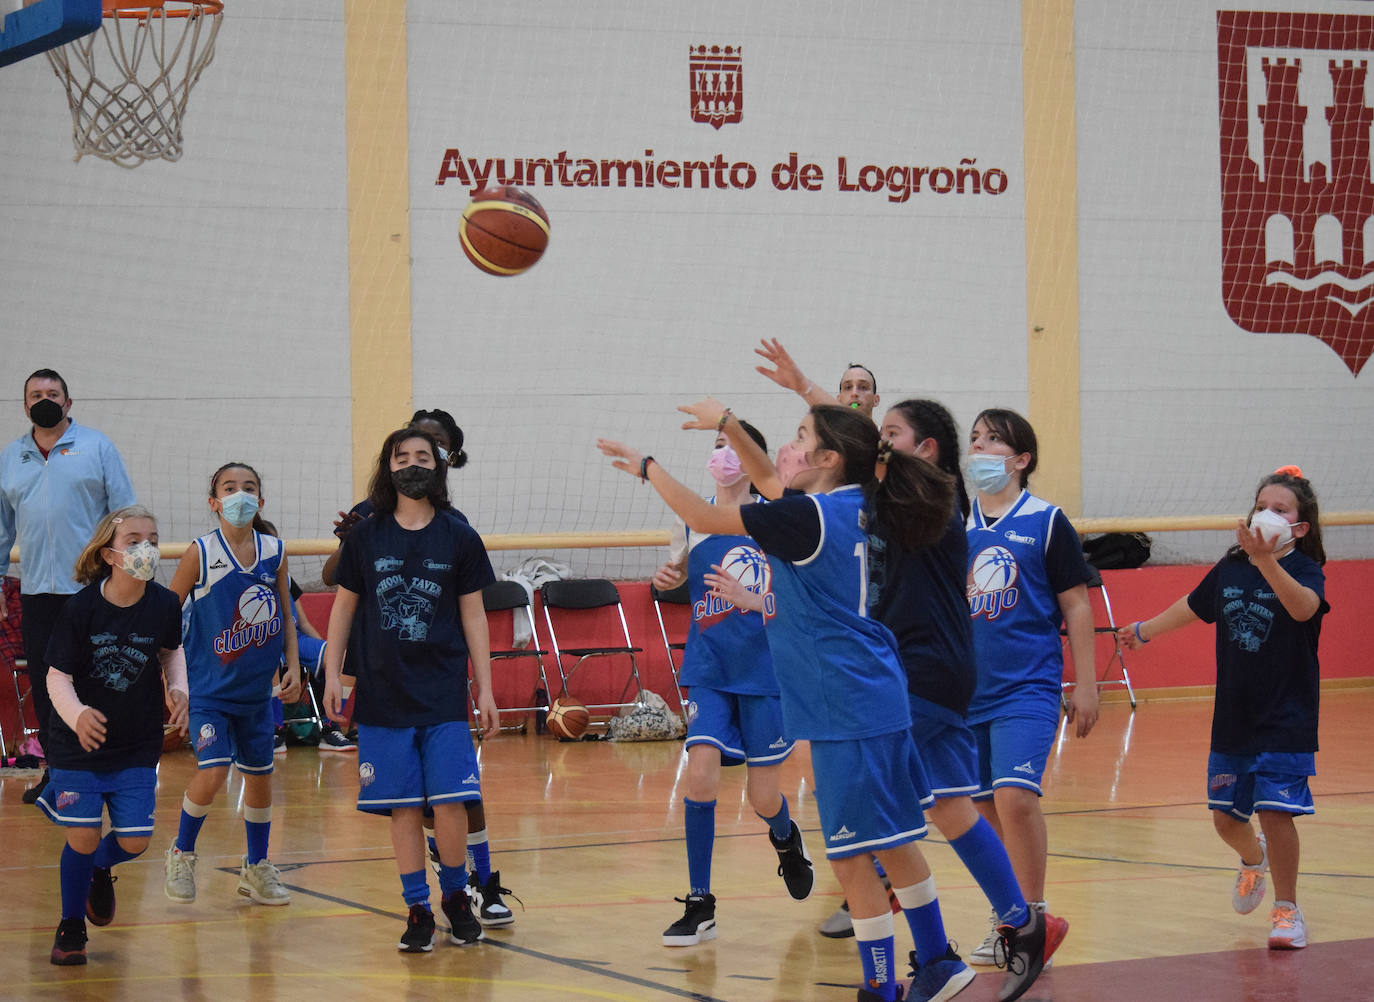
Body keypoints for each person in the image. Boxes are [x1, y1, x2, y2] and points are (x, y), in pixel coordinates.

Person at [599, 404, 975, 1002]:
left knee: (853, 857)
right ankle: (938, 960)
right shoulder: (858, 505)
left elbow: (702, 515)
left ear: (828, 460)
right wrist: (728, 423)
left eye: (801, 438)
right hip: (872, 692)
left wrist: (648, 467)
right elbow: (775, 486)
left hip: (845, 702)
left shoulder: (808, 516)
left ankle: (886, 983)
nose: (789, 448)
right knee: (892, 844)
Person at [1118, 467, 1327, 951]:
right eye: (1261, 506)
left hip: (1286, 718)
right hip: (1234, 717)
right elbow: (1194, 605)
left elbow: (1302, 609)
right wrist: (1146, 629)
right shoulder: (1231, 566)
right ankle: (1254, 859)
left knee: (1277, 813)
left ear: (1299, 528)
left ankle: (1288, 911)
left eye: (1280, 510)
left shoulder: (1303, 569)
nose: (1267, 515)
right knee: (1225, 819)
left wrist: (1266, 561)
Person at [322, 408, 516, 926]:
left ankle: (457, 895)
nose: (412, 463)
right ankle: (417, 909)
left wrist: (487, 689)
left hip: (443, 689)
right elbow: (341, 605)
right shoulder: (365, 535)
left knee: (451, 802)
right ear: (387, 467)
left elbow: (474, 614)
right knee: (405, 807)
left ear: (440, 466)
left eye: (422, 456)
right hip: (383, 692)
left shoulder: (459, 535)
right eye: (401, 456)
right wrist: (332, 674)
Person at [653, 421, 815, 948]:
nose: (722, 454)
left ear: (752, 460)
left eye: (731, 447)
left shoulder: (778, 522)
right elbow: (679, 571)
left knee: (763, 795)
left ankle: (786, 838)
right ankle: (700, 902)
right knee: (699, 777)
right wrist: (670, 577)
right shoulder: (691, 518)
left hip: (766, 672)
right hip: (709, 668)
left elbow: (800, 601)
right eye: (718, 445)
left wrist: (755, 603)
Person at [963, 408, 1097, 967]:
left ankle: (1033, 918)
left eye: (992, 441)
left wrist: (1086, 683)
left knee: (1015, 798)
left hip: (1029, 686)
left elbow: (1076, 603)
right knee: (980, 809)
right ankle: (1009, 914)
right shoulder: (954, 522)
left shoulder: (1046, 521)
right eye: (974, 439)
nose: (979, 449)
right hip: (964, 693)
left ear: (1021, 459)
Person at [36, 506, 186, 965]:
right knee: (81, 836)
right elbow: (56, 677)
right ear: (109, 554)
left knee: (136, 840)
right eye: (134, 540)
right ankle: (71, 926)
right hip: (78, 745)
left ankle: (100, 868)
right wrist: (78, 715)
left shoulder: (164, 603)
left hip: (136, 742)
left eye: (153, 539)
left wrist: (179, 688)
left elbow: (171, 652)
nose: (147, 548)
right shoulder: (80, 609)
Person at [163, 462, 302, 907]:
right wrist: (172, 681)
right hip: (208, 692)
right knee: (215, 769)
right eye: (229, 487)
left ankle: (256, 866)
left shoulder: (275, 551)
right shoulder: (200, 553)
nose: (239, 495)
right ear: (214, 501)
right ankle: (181, 853)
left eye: (249, 488)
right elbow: (165, 619)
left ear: (260, 502)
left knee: (260, 778)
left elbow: (287, 619)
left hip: (257, 693)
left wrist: (293, 666)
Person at [0, 369, 137, 804]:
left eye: (53, 393)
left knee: (98, 679)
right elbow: (1, 530)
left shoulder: (97, 447)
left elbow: (124, 515)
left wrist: (130, 573)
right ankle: (57, 772)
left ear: (68, 402)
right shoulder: (9, 458)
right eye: (36, 394)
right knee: (45, 683)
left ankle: (102, 768)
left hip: (94, 589)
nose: (45, 399)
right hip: (37, 592)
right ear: (25, 406)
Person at [754, 338, 880, 419]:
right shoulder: (823, 443)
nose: (854, 393)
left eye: (863, 387)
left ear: (876, 400)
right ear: (838, 399)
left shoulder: (889, 440)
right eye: (847, 387)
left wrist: (803, 385)